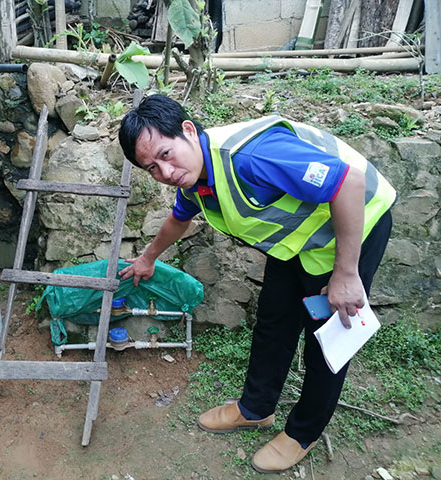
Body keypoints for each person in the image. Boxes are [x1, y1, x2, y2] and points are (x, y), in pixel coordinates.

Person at [117, 94, 396, 473]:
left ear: (187, 130)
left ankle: (303, 432)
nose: (164, 172)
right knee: (273, 322)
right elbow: (179, 220)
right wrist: (148, 258)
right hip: (299, 245)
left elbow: (348, 182)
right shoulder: (194, 179)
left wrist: (346, 273)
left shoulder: (251, 156)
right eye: (151, 168)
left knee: (328, 338)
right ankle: (256, 408)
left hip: (353, 226)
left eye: (166, 155)